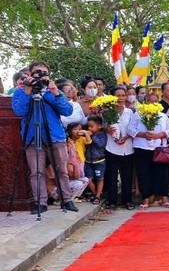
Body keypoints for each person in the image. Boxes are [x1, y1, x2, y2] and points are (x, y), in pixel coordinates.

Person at [11, 61, 78, 213]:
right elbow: (19, 111)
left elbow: (67, 111)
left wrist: (55, 93)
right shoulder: (21, 91)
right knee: (36, 172)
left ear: (49, 74)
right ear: (29, 73)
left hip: (55, 135)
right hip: (32, 137)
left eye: (44, 73)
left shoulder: (52, 90)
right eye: (37, 72)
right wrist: (28, 91)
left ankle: (66, 200)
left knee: (61, 170)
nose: (40, 75)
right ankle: (40, 203)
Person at [127, 100, 169, 210]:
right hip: (142, 148)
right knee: (143, 173)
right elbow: (130, 129)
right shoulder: (138, 115)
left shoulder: (162, 116)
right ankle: (146, 198)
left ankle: (164, 197)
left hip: (159, 148)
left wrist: (159, 135)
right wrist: (143, 135)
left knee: (162, 173)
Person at [104, 86, 136, 211]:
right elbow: (103, 127)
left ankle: (127, 200)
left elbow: (134, 128)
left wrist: (126, 137)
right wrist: (107, 129)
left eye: (123, 95)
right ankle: (112, 201)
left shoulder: (131, 112)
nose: (121, 98)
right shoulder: (106, 112)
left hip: (127, 147)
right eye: (118, 95)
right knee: (112, 175)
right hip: (112, 147)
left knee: (127, 175)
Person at [83, 115, 107, 204]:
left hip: (99, 160)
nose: (89, 128)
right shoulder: (86, 134)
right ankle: (95, 194)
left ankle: (97, 196)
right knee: (88, 179)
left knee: (100, 178)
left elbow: (101, 145)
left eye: (92, 127)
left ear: (99, 126)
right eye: (88, 126)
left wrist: (91, 136)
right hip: (88, 160)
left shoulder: (102, 135)